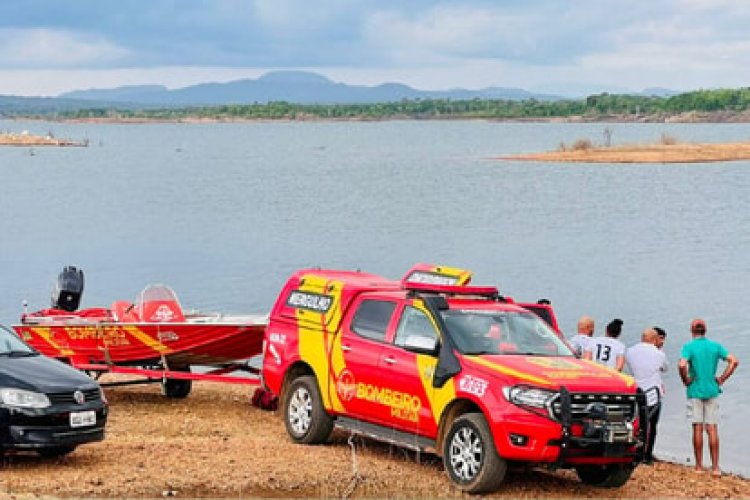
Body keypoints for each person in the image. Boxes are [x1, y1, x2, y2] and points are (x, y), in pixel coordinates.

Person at [678, 318, 739, 476]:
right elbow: (734, 361)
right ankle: (715, 467)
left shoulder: (688, 347)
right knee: (712, 428)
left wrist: (685, 380)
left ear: (692, 331)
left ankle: (698, 466)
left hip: (695, 390)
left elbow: (681, 365)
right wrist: (722, 378)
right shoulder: (715, 346)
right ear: (705, 330)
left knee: (697, 427)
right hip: (712, 390)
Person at [625, 327, 668, 464]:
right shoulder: (658, 354)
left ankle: (636, 451)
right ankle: (647, 455)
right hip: (653, 394)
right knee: (652, 425)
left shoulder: (630, 351)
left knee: (637, 424)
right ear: (655, 339)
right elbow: (665, 368)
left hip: (637, 393)